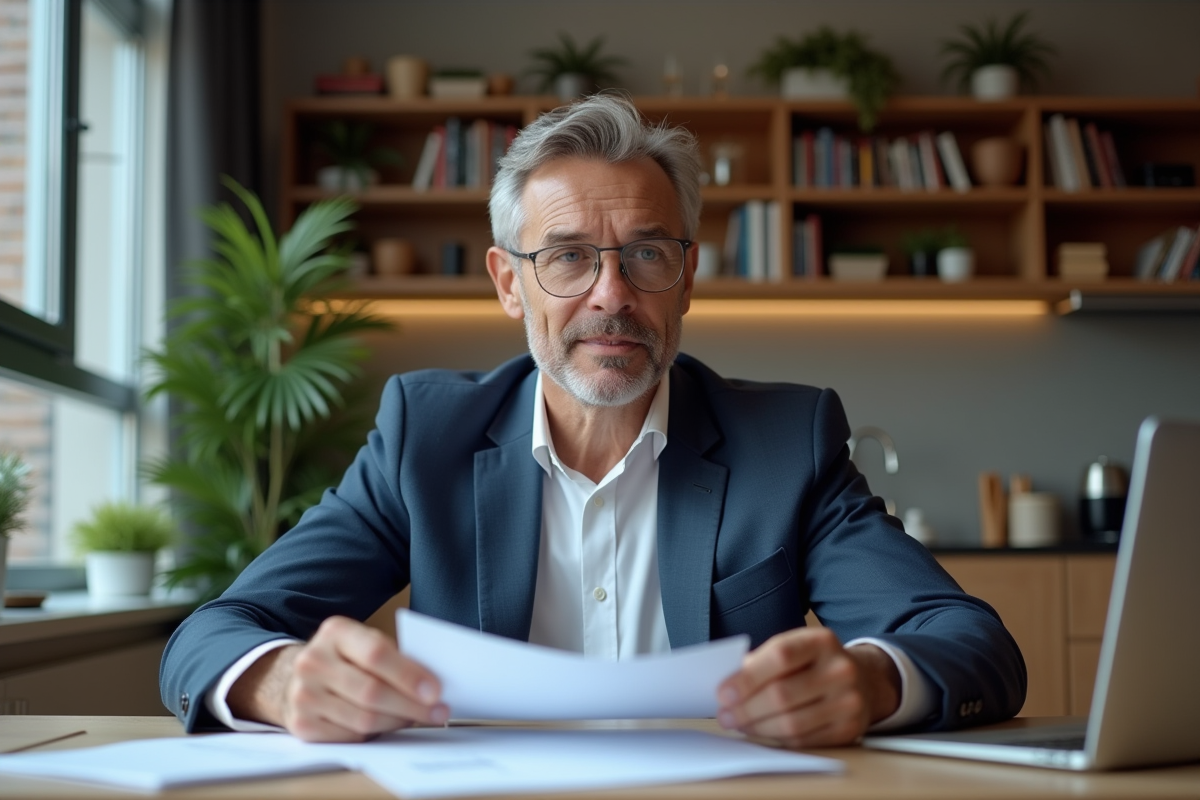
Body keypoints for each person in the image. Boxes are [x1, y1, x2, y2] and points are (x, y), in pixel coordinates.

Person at [160, 95, 1025, 747]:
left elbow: (971, 643)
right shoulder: (426, 435)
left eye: (646, 254)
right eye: (568, 257)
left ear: (686, 279)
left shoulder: (785, 441)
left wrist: (871, 682)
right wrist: (278, 683)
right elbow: (214, 632)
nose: (610, 295)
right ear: (509, 283)